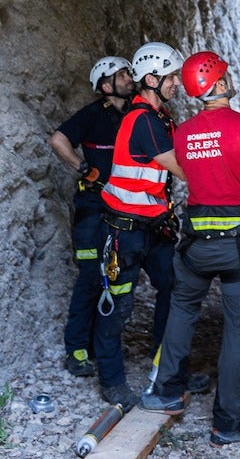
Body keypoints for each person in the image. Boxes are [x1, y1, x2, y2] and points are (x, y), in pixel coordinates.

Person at [140, 50, 240, 449]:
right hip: (237, 247)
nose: (229, 79)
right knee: (237, 330)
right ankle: (226, 423)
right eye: (226, 75)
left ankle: (167, 390)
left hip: (194, 244)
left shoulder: (182, 133)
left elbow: (194, 175)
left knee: (182, 311)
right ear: (219, 84)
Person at [93, 41, 187, 413]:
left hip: (154, 227)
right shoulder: (143, 121)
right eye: (172, 77)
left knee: (174, 290)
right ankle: (112, 381)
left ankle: (166, 371)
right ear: (151, 79)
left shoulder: (161, 119)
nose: (177, 82)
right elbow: (183, 166)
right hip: (126, 230)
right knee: (118, 304)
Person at [49, 56, 134, 377]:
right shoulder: (92, 115)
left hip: (122, 209)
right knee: (89, 278)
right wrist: (83, 167)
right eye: (122, 75)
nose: (129, 78)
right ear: (105, 85)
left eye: (128, 73)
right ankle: (77, 349)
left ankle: (101, 345)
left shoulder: (137, 114)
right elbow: (58, 140)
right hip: (91, 211)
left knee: (115, 277)